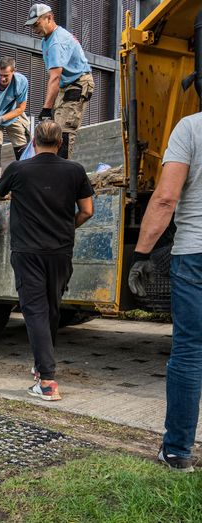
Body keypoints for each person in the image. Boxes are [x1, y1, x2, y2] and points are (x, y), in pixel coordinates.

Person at [0, 121, 93, 400]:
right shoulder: (75, 170)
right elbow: (87, 211)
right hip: (61, 251)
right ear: (60, 143)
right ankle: (42, 366)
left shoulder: (18, 169)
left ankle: (47, 381)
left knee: (34, 311)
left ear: (33, 143)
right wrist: (66, 227)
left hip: (28, 252)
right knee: (51, 308)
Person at [128, 112, 202, 472]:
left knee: (190, 351)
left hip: (195, 254)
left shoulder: (191, 127)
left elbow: (165, 198)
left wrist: (141, 255)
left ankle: (177, 452)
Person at [26, 3, 94, 159]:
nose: (34, 29)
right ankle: (52, 166)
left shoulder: (57, 42)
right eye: (31, 26)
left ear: (49, 18)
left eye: (36, 24)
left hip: (78, 82)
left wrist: (46, 108)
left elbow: (55, 77)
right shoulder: (47, 39)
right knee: (54, 128)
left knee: (63, 130)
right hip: (66, 84)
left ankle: (62, 170)